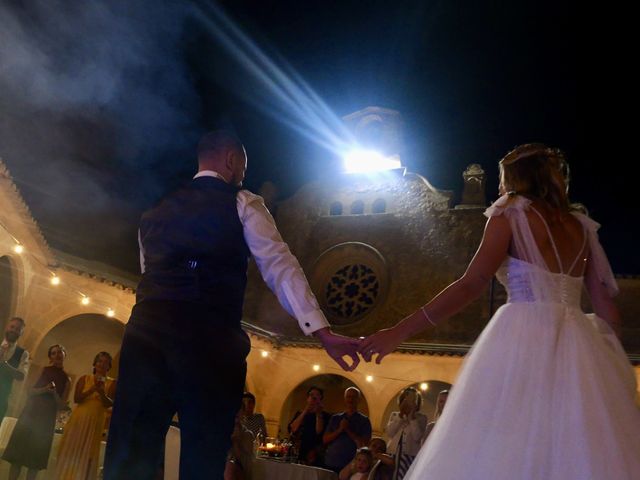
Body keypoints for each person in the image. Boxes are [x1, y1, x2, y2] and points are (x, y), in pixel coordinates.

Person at [359, 143, 640, 479]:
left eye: (501, 179)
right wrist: (609, 366)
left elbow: (471, 283)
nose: (498, 188)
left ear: (516, 178)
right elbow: (609, 311)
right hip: (579, 341)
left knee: (502, 438)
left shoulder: (510, 212)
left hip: (522, 334)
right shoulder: (581, 227)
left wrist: (399, 332)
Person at [104, 129, 360, 480]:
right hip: (208, 341)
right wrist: (322, 331)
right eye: (243, 166)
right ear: (231, 160)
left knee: (129, 452)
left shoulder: (154, 211)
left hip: (145, 339)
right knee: (203, 456)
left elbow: (149, 276)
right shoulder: (243, 202)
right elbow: (279, 266)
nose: (243, 175)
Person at [2, 344, 71, 480]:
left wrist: (55, 394)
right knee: (17, 457)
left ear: (64, 355)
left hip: (46, 420)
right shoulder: (43, 370)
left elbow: (62, 405)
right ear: (50, 357)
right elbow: (29, 391)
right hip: (30, 415)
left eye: (60, 352)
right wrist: (44, 389)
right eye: (54, 353)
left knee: (34, 462)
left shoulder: (67, 379)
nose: (57, 355)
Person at [55, 351, 117, 480]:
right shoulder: (85, 378)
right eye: (100, 361)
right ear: (95, 364)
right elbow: (77, 399)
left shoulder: (113, 383)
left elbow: (110, 404)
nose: (102, 364)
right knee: (72, 450)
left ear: (109, 366)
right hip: (80, 418)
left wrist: (102, 393)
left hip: (96, 420)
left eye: (106, 362)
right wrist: (92, 389)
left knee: (89, 454)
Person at [323, 386, 372, 473]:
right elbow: (325, 439)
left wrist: (347, 429)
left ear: (359, 400)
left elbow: (364, 444)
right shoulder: (335, 418)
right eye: (348, 397)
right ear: (345, 399)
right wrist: (339, 430)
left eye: (354, 397)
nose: (351, 399)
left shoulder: (364, 420)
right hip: (331, 461)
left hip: (350, 464)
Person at [385, 387, 427, 480]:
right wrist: (401, 414)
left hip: (409, 456)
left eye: (412, 399)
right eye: (406, 398)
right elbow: (390, 433)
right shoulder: (395, 415)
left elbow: (417, 437)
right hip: (393, 454)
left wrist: (412, 417)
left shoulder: (421, 418)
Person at [288, 385, 331, 466]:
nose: (313, 398)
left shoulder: (325, 416)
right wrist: (305, 410)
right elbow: (293, 428)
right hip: (297, 451)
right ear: (307, 398)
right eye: (311, 395)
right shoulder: (300, 413)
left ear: (321, 399)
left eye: (317, 395)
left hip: (314, 454)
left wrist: (318, 413)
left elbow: (319, 432)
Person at [0, 317, 30, 421]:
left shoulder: (23, 354)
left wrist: (3, 364)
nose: (14, 330)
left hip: (2, 398)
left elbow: (21, 375)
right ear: (7, 327)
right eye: (12, 327)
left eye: (18, 329)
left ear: (21, 333)